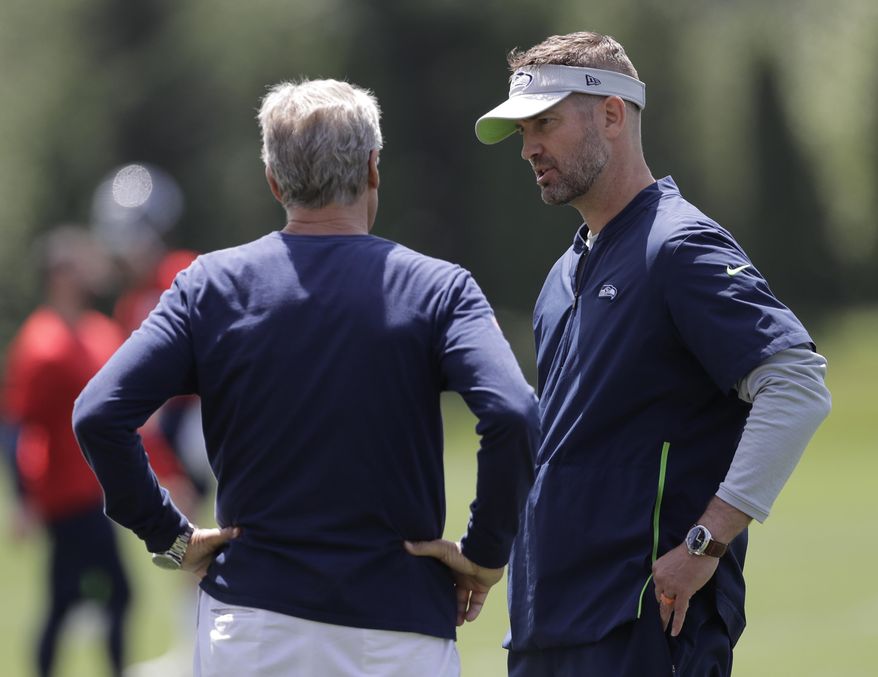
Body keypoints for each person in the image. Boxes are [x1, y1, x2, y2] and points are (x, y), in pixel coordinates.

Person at [73, 78, 539, 677]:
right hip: (399, 627)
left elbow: (98, 415)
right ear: (374, 169)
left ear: (274, 181)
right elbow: (513, 412)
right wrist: (484, 553)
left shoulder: (208, 286)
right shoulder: (439, 288)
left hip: (251, 626)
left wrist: (170, 537)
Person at [471, 31, 832, 676]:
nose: (528, 149)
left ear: (611, 114)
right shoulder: (563, 274)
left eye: (544, 124)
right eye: (522, 132)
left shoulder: (679, 247)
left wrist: (706, 541)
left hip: (644, 626)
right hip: (547, 631)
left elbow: (796, 384)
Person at [1, 226, 131, 677]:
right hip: (65, 493)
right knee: (111, 593)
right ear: (58, 275)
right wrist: (23, 497)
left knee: (76, 597)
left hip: (100, 492)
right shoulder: (40, 345)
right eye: (79, 265)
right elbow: (17, 426)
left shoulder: (99, 331)